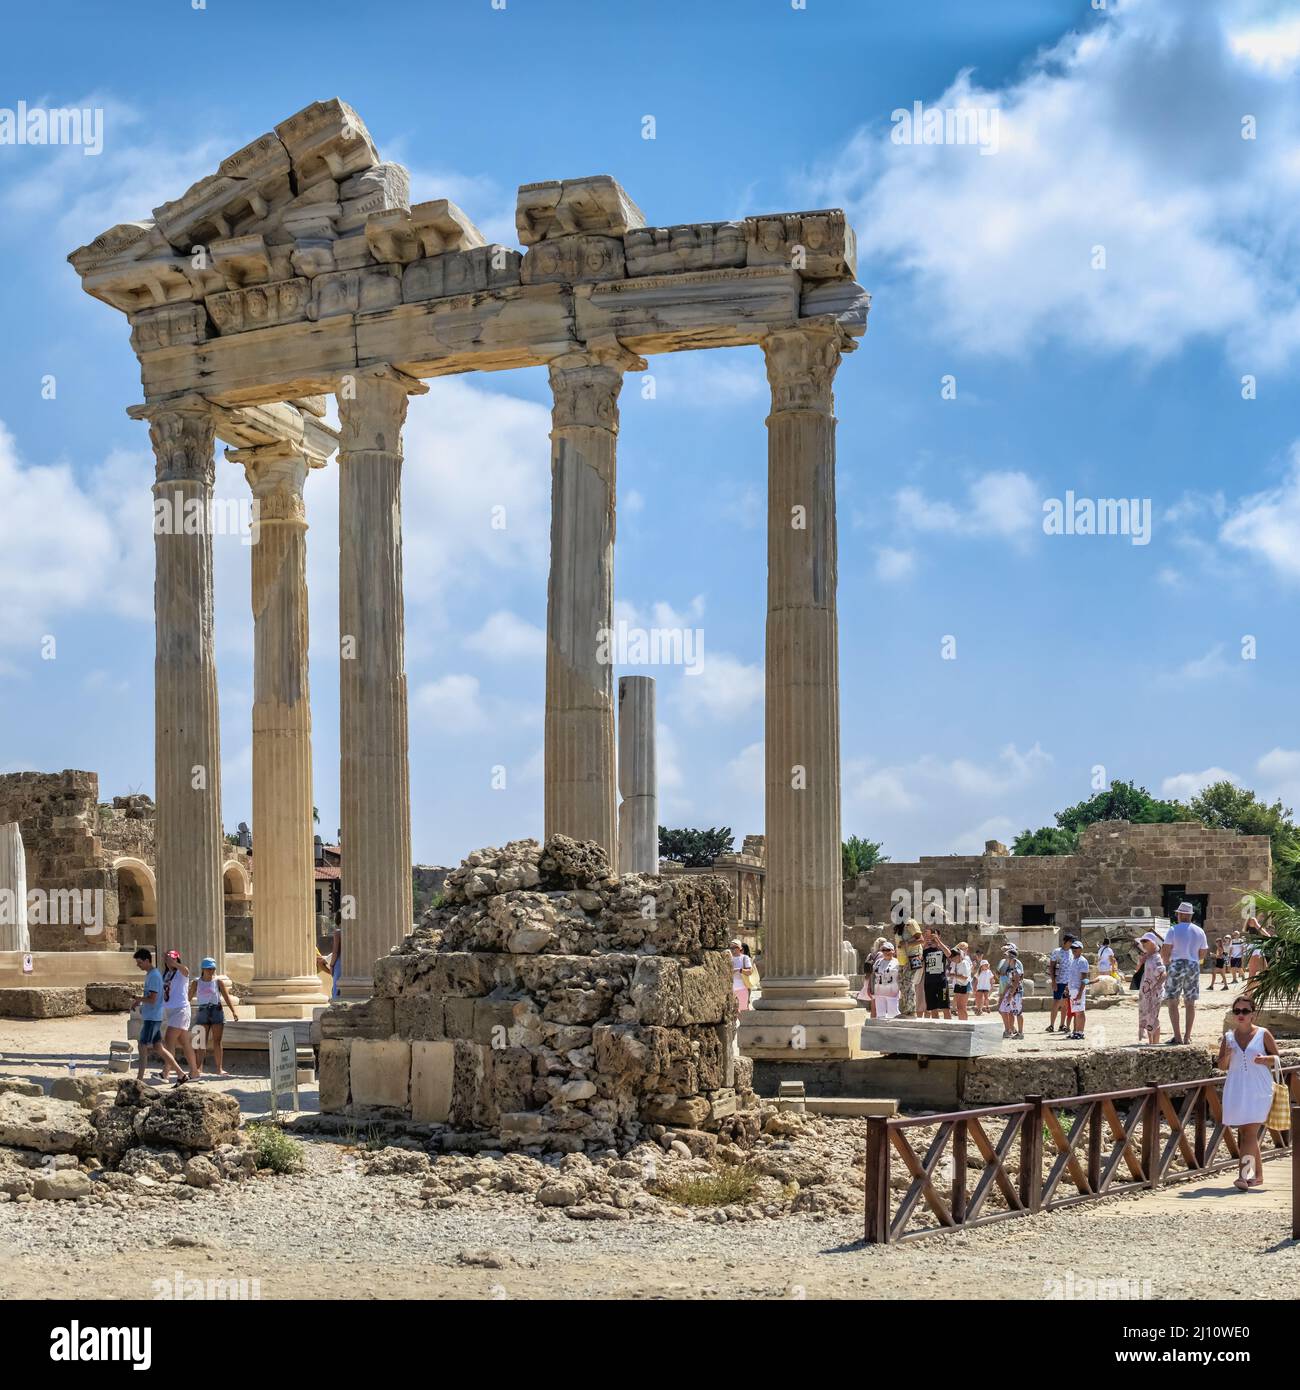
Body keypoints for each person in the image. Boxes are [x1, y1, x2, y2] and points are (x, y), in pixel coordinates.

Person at [1216, 995, 1280, 1191]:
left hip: (1259, 1089)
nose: (1241, 1015)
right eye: (1237, 1011)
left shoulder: (1263, 1033)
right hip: (1236, 1088)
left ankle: (1243, 1176)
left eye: (1245, 1011)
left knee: (1249, 1133)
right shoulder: (1228, 1038)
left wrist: (1265, 1059)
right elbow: (1222, 1066)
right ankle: (1258, 1176)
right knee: (1246, 1133)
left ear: (1253, 1014)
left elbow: (1277, 1058)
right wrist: (1226, 1056)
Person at [131, 947, 183, 1082]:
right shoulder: (151, 974)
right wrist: (139, 1002)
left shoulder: (154, 976)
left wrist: (138, 999)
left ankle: (139, 1079)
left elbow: (153, 999)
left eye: (139, 962)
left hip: (152, 1017)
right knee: (158, 1047)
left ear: (147, 961)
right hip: (152, 1015)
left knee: (142, 1046)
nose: (138, 965)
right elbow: (150, 996)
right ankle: (181, 1074)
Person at [1162, 901, 1208, 1045]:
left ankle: (1178, 1036)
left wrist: (1167, 963)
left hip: (1177, 963)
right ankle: (1187, 1036)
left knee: (1173, 1002)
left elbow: (1165, 951)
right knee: (1190, 1002)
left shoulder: (1173, 930)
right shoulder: (1199, 931)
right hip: (1193, 964)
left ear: (1180, 914)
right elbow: (1202, 954)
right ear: (1190, 915)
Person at [189, 957, 239, 1077]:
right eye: (208, 969)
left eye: (212, 969)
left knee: (217, 1041)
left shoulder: (218, 981)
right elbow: (188, 997)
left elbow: (226, 997)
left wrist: (234, 1011)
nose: (211, 971)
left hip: (216, 1010)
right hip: (203, 1011)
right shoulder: (196, 982)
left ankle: (219, 1068)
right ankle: (198, 1068)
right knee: (202, 1042)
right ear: (203, 969)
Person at [161, 949, 199, 1083]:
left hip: (181, 1010)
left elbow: (187, 971)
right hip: (171, 1010)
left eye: (172, 958)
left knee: (169, 1039)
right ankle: (194, 1072)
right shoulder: (166, 974)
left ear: (177, 959)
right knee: (184, 1042)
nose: (169, 960)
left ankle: (166, 1072)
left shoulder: (181, 972)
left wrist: (175, 964)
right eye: (167, 958)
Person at [1135, 932, 1166, 1045]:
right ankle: (1151, 1042)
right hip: (1145, 992)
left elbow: (1163, 974)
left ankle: (1155, 1043)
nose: (1142, 944)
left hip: (1154, 992)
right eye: (1142, 941)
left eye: (1145, 941)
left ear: (1152, 943)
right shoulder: (1146, 957)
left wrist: (1156, 987)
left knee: (1153, 1017)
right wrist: (1141, 962)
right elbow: (1137, 971)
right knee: (1148, 1017)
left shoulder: (1157, 957)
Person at [921, 926, 952, 1019]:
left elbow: (948, 954)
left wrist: (938, 941)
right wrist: (925, 943)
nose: (930, 937)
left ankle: (949, 1029)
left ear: (939, 936)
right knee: (933, 1008)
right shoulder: (925, 950)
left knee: (945, 1007)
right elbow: (918, 959)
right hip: (929, 982)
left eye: (932, 935)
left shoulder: (942, 948)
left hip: (941, 982)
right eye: (928, 935)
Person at [1046, 931, 1074, 1033]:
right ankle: (1051, 1025)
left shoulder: (1071, 952)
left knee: (1066, 1004)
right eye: (1070, 941)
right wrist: (1053, 981)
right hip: (1059, 981)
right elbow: (1052, 966)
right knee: (1056, 1002)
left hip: (1069, 982)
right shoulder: (1057, 951)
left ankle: (1062, 1024)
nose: (1071, 943)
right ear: (1065, 941)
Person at [997, 944, 1025, 1039]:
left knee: (1018, 1012)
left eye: (1007, 957)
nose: (1005, 958)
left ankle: (1020, 1033)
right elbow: (1009, 983)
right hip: (1010, 992)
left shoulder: (1016, 970)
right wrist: (1005, 994)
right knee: (1003, 1009)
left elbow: (1016, 982)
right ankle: (1008, 1030)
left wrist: (1011, 994)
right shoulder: (1010, 969)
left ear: (1011, 958)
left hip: (1016, 993)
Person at [898, 920, 925, 1018]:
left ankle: (911, 1010)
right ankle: (906, 1008)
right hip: (902, 959)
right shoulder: (899, 926)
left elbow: (921, 939)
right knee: (901, 983)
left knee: (908, 982)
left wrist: (906, 943)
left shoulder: (911, 923)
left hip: (913, 956)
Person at [1066, 938, 1090, 1041]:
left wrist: (1080, 992)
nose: (1074, 950)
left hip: (1078, 989)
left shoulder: (1082, 961)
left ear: (1081, 949)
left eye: (1076, 948)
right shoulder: (1073, 960)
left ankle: (1080, 1032)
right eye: (1072, 948)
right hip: (1072, 989)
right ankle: (1076, 1031)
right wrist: (1068, 988)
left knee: (1080, 1011)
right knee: (1076, 1011)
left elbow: (1084, 978)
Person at [316, 913, 343, 1000]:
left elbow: (335, 951)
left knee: (336, 987)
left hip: (339, 962)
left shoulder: (338, 932)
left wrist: (331, 966)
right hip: (350, 961)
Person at [872, 941, 901, 1018]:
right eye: (883, 950)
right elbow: (874, 976)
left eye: (888, 950)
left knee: (893, 1014)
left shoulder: (897, 962)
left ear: (893, 951)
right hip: (879, 992)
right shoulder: (878, 962)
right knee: (880, 1015)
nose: (886, 952)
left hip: (892, 993)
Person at [728, 940, 754, 1012]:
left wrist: (739, 970)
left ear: (740, 948)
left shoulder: (745, 958)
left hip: (742, 987)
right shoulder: (728, 958)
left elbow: (750, 972)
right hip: (730, 989)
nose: (733, 949)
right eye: (731, 948)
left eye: (735, 947)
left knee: (743, 1011)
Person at [950, 941, 972, 1020]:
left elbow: (965, 977)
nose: (952, 958)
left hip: (965, 985)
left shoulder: (965, 962)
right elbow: (951, 973)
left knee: (962, 1006)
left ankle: (965, 1022)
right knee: (959, 1007)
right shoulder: (955, 964)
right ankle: (961, 1021)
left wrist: (954, 975)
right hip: (958, 984)